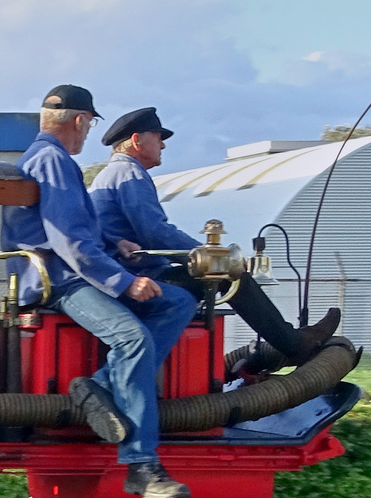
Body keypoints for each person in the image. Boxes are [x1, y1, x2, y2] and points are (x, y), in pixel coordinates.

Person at [1, 85, 200, 498]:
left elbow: (75, 229)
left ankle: (99, 385)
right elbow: (70, 242)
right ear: (78, 120)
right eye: (90, 123)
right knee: (133, 339)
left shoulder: (48, 159)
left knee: (178, 300)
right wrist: (125, 281)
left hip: (69, 273)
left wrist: (114, 244)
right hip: (59, 283)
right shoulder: (54, 161)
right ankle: (141, 465)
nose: (88, 132)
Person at [89, 107, 341, 368]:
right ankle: (294, 345)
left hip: (125, 276)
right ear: (136, 140)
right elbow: (155, 232)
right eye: (157, 136)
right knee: (230, 277)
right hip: (140, 280)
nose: (163, 145)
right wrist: (211, 256)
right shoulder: (130, 174)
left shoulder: (109, 175)